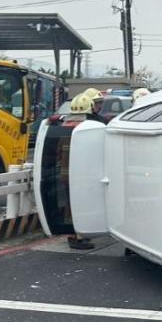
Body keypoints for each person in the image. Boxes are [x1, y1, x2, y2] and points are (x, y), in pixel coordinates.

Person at [65, 93, 99, 250]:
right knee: (82, 204)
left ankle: (72, 234)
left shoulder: (63, 125)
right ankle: (80, 236)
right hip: (83, 173)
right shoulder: (87, 127)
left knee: (69, 204)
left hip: (64, 174)